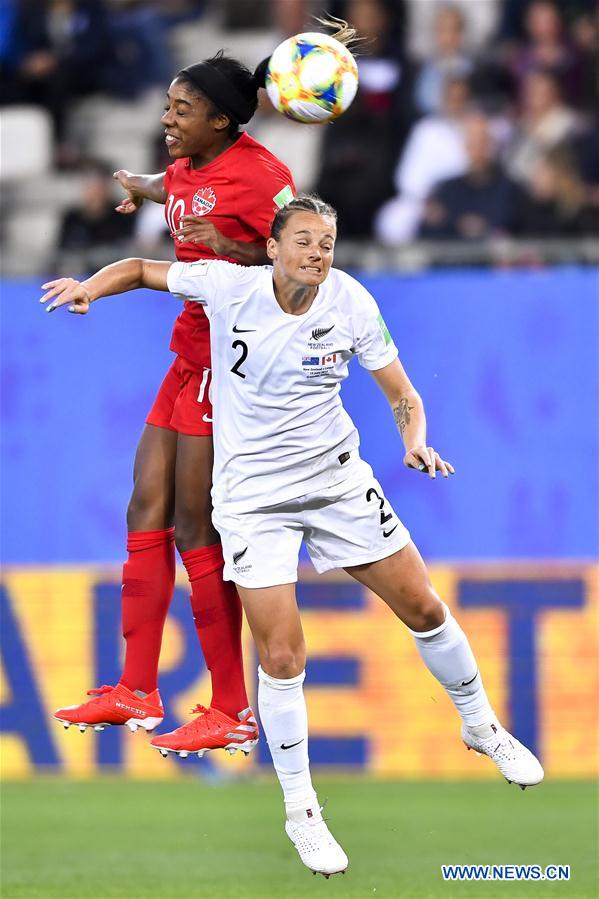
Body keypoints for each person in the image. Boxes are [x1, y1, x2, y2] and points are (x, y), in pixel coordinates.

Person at [41, 194, 544, 877]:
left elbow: (401, 391)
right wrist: (88, 289)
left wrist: (414, 440)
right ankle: (302, 810)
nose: (317, 252)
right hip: (253, 502)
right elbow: (137, 266)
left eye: (327, 242)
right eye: (304, 240)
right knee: (280, 657)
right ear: (273, 248)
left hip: (337, 484)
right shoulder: (229, 286)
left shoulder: (350, 302)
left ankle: (480, 724)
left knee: (424, 607)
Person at [52, 50, 296, 758]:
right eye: (166, 105)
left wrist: (241, 256)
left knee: (195, 522)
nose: (166, 119)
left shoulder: (265, 179)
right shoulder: (188, 167)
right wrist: (138, 186)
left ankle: (230, 706)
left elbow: (309, 261)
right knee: (143, 505)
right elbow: (177, 186)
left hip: (234, 366)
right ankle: (135, 687)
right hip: (188, 356)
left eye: (181, 111)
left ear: (221, 121)